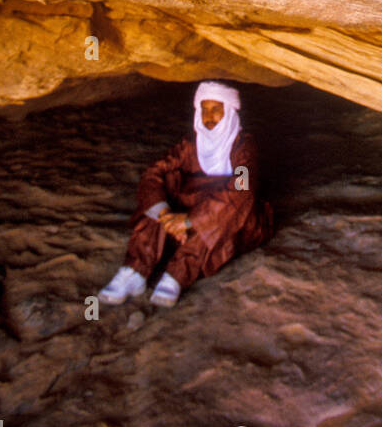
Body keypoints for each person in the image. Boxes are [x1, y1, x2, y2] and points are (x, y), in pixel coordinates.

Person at [98, 81, 273, 309]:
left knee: (225, 212)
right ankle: (134, 271)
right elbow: (153, 173)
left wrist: (191, 220)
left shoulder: (243, 147)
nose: (209, 117)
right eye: (204, 109)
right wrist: (165, 214)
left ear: (229, 112)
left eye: (216, 109)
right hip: (194, 207)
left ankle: (177, 274)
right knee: (163, 185)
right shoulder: (190, 145)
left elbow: (241, 190)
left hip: (239, 220)